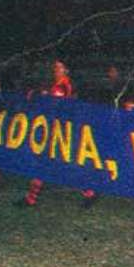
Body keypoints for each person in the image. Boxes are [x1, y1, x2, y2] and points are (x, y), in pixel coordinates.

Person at [16, 60, 95, 207]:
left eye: (59, 67)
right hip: (53, 128)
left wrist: (43, 96)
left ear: (66, 70)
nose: (55, 69)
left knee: (64, 164)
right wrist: (37, 93)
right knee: (43, 162)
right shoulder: (55, 84)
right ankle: (31, 199)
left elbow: (57, 105)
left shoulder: (64, 85)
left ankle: (89, 191)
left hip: (62, 131)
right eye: (55, 66)